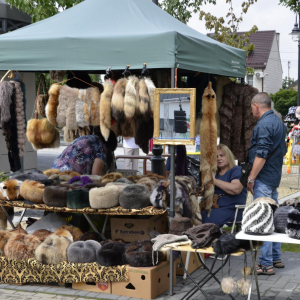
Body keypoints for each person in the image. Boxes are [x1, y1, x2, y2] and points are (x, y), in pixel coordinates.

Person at [247, 92, 286, 275]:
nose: (251, 110)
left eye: (251, 107)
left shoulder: (263, 124)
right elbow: (282, 151)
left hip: (263, 178)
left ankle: (265, 264)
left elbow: (261, 154)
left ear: (256, 105)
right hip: (274, 177)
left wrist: (251, 178)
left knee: (263, 221)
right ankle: (275, 257)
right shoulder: (279, 122)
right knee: (274, 219)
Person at [201, 144, 247, 227]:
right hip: (216, 207)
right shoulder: (217, 174)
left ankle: (211, 238)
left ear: (228, 156)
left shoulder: (236, 170)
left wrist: (213, 180)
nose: (219, 159)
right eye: (216, 157)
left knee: (206, 216)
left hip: (233, 209)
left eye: (222, 155)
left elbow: (236, 189)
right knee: (195, 215)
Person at [52, 132, 117, 175]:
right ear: (108, 145)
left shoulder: (86, 137)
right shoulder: (101, 146)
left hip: (55, 170)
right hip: (69, 175)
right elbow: (96, 174)